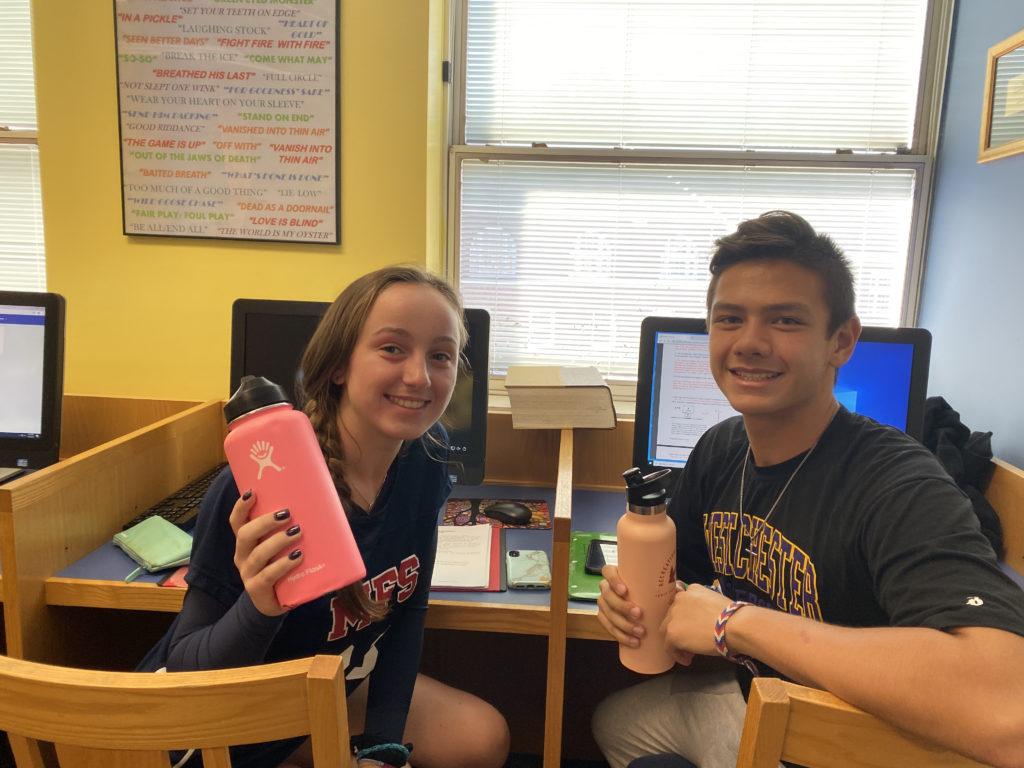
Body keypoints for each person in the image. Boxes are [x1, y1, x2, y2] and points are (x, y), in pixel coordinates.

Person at [593, 211, 1024, 768]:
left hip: (863, 742)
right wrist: (637, 605)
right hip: (768, 700)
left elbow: (1008, 708)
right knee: (618, 723)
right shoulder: (720, 449)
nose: (749, 343)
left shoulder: (898, 483)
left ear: (841, 341)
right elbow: (687, 593)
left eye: (785, 321)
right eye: (729, 319)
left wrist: (732, 624)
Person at [139, 266, 509, 768]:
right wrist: (261, 607)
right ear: (339, 365)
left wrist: (382, 747)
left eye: (440, 355)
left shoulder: (427, 454)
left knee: (482, 738)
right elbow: (187, 672)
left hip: (327, 683)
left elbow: (408, 613)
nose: (419, 376)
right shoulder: (252, 489)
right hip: (222, 723)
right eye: (393, 348)